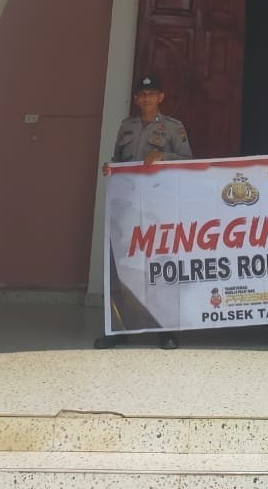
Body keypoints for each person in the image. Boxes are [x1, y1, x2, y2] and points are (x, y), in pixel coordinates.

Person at [95, 74, 192, 350]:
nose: (146, 98)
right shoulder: (126, 127)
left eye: (152, 94)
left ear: (161, 97)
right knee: (122, 266)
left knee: (160, 266)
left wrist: (164, 156)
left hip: (157, 209)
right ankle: (118, 329)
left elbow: (188, 161)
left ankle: (166, 330)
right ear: (137, 99)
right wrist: (111, 168)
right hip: (126, 208)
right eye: (142, 94)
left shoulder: (173, 127)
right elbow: (118, 160)